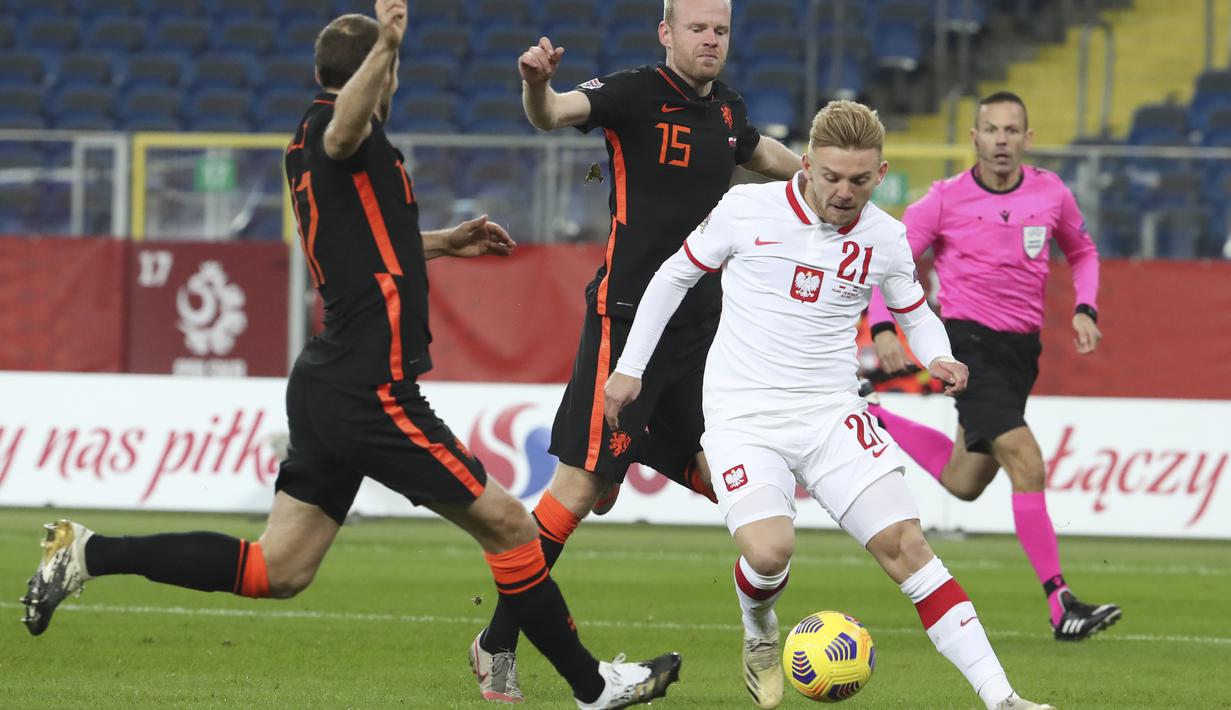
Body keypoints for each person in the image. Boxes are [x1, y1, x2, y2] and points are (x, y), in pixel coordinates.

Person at [20, 5, 681, 708]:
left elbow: (361, 244)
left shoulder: (316, 149)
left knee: (280, 568)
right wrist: (388, 39)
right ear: (380, 73)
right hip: (372, 387)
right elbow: (344, 128)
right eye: (390, 68)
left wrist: (444, 242)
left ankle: (86, 553)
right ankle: (590, 685)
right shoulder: (334, 129)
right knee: (510, 525)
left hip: (331, 381)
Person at [604, 100, 1055, 710]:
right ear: (808, 163)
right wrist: (629, 368)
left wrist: (939, 355)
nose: (845, 193)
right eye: (833, 177)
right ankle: (760, 626)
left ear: (881, 172)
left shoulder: (886, 236)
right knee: (769, 552)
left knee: (909, 549)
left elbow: (913, 311)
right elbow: (673, 277)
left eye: (861, 181)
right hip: (744, 416)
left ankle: (1004, 699)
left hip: (831, 414)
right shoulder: (746, 209)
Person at [468, 0, 801, 702]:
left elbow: (767, 157)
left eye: (720, 31)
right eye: (697, 28)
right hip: (625, 325)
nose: (710, 40)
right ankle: (496, 641)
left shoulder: (728, 110)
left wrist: (825, 179)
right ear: (666, 33)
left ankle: (759, 621)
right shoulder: (630, 93)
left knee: (736, 481)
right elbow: (551, 113)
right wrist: (533, 82)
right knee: (578, 487)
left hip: (701, 333)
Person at [863, 91, 1121, 642]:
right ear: (975, 138)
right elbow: (891, 260)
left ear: (1027, 139)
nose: (1001, 140)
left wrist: (1085, 307)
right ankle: (1061, 603)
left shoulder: (1050, 193)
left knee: (965, 480)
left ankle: (876, 419)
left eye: (1011, 130)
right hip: (969, 346)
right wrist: (884, 326)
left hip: (1021, 353)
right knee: (1027, 462)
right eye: (991, 130)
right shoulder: (943, 199)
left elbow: (1083, 252)